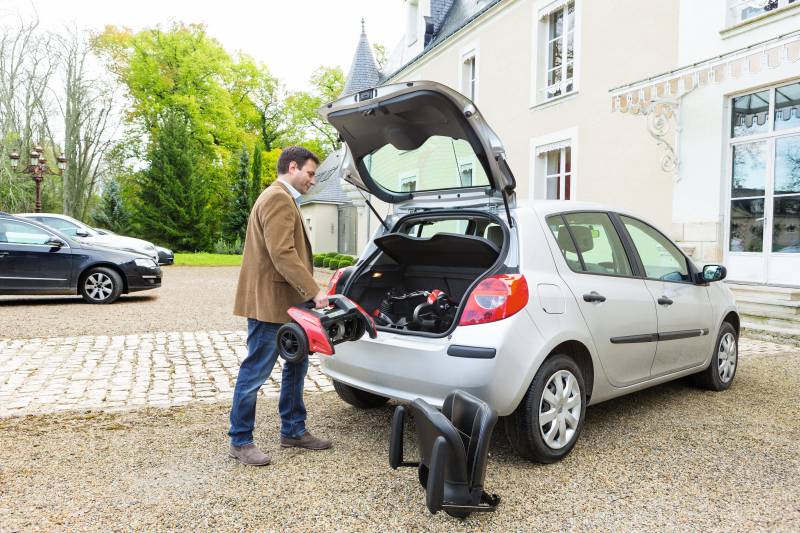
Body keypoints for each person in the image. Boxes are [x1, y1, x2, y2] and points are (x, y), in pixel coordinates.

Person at [228, 146, 331, 466]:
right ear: (292, 167)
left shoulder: (284, 198)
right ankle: (240, 440)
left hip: (289, 304)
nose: (313, 180)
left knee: (297, 365)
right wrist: (314, 290)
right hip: (271, 305)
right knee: (255, 371)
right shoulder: (277, 198)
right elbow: (282, 253)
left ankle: (293, 430)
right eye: (310, 173)